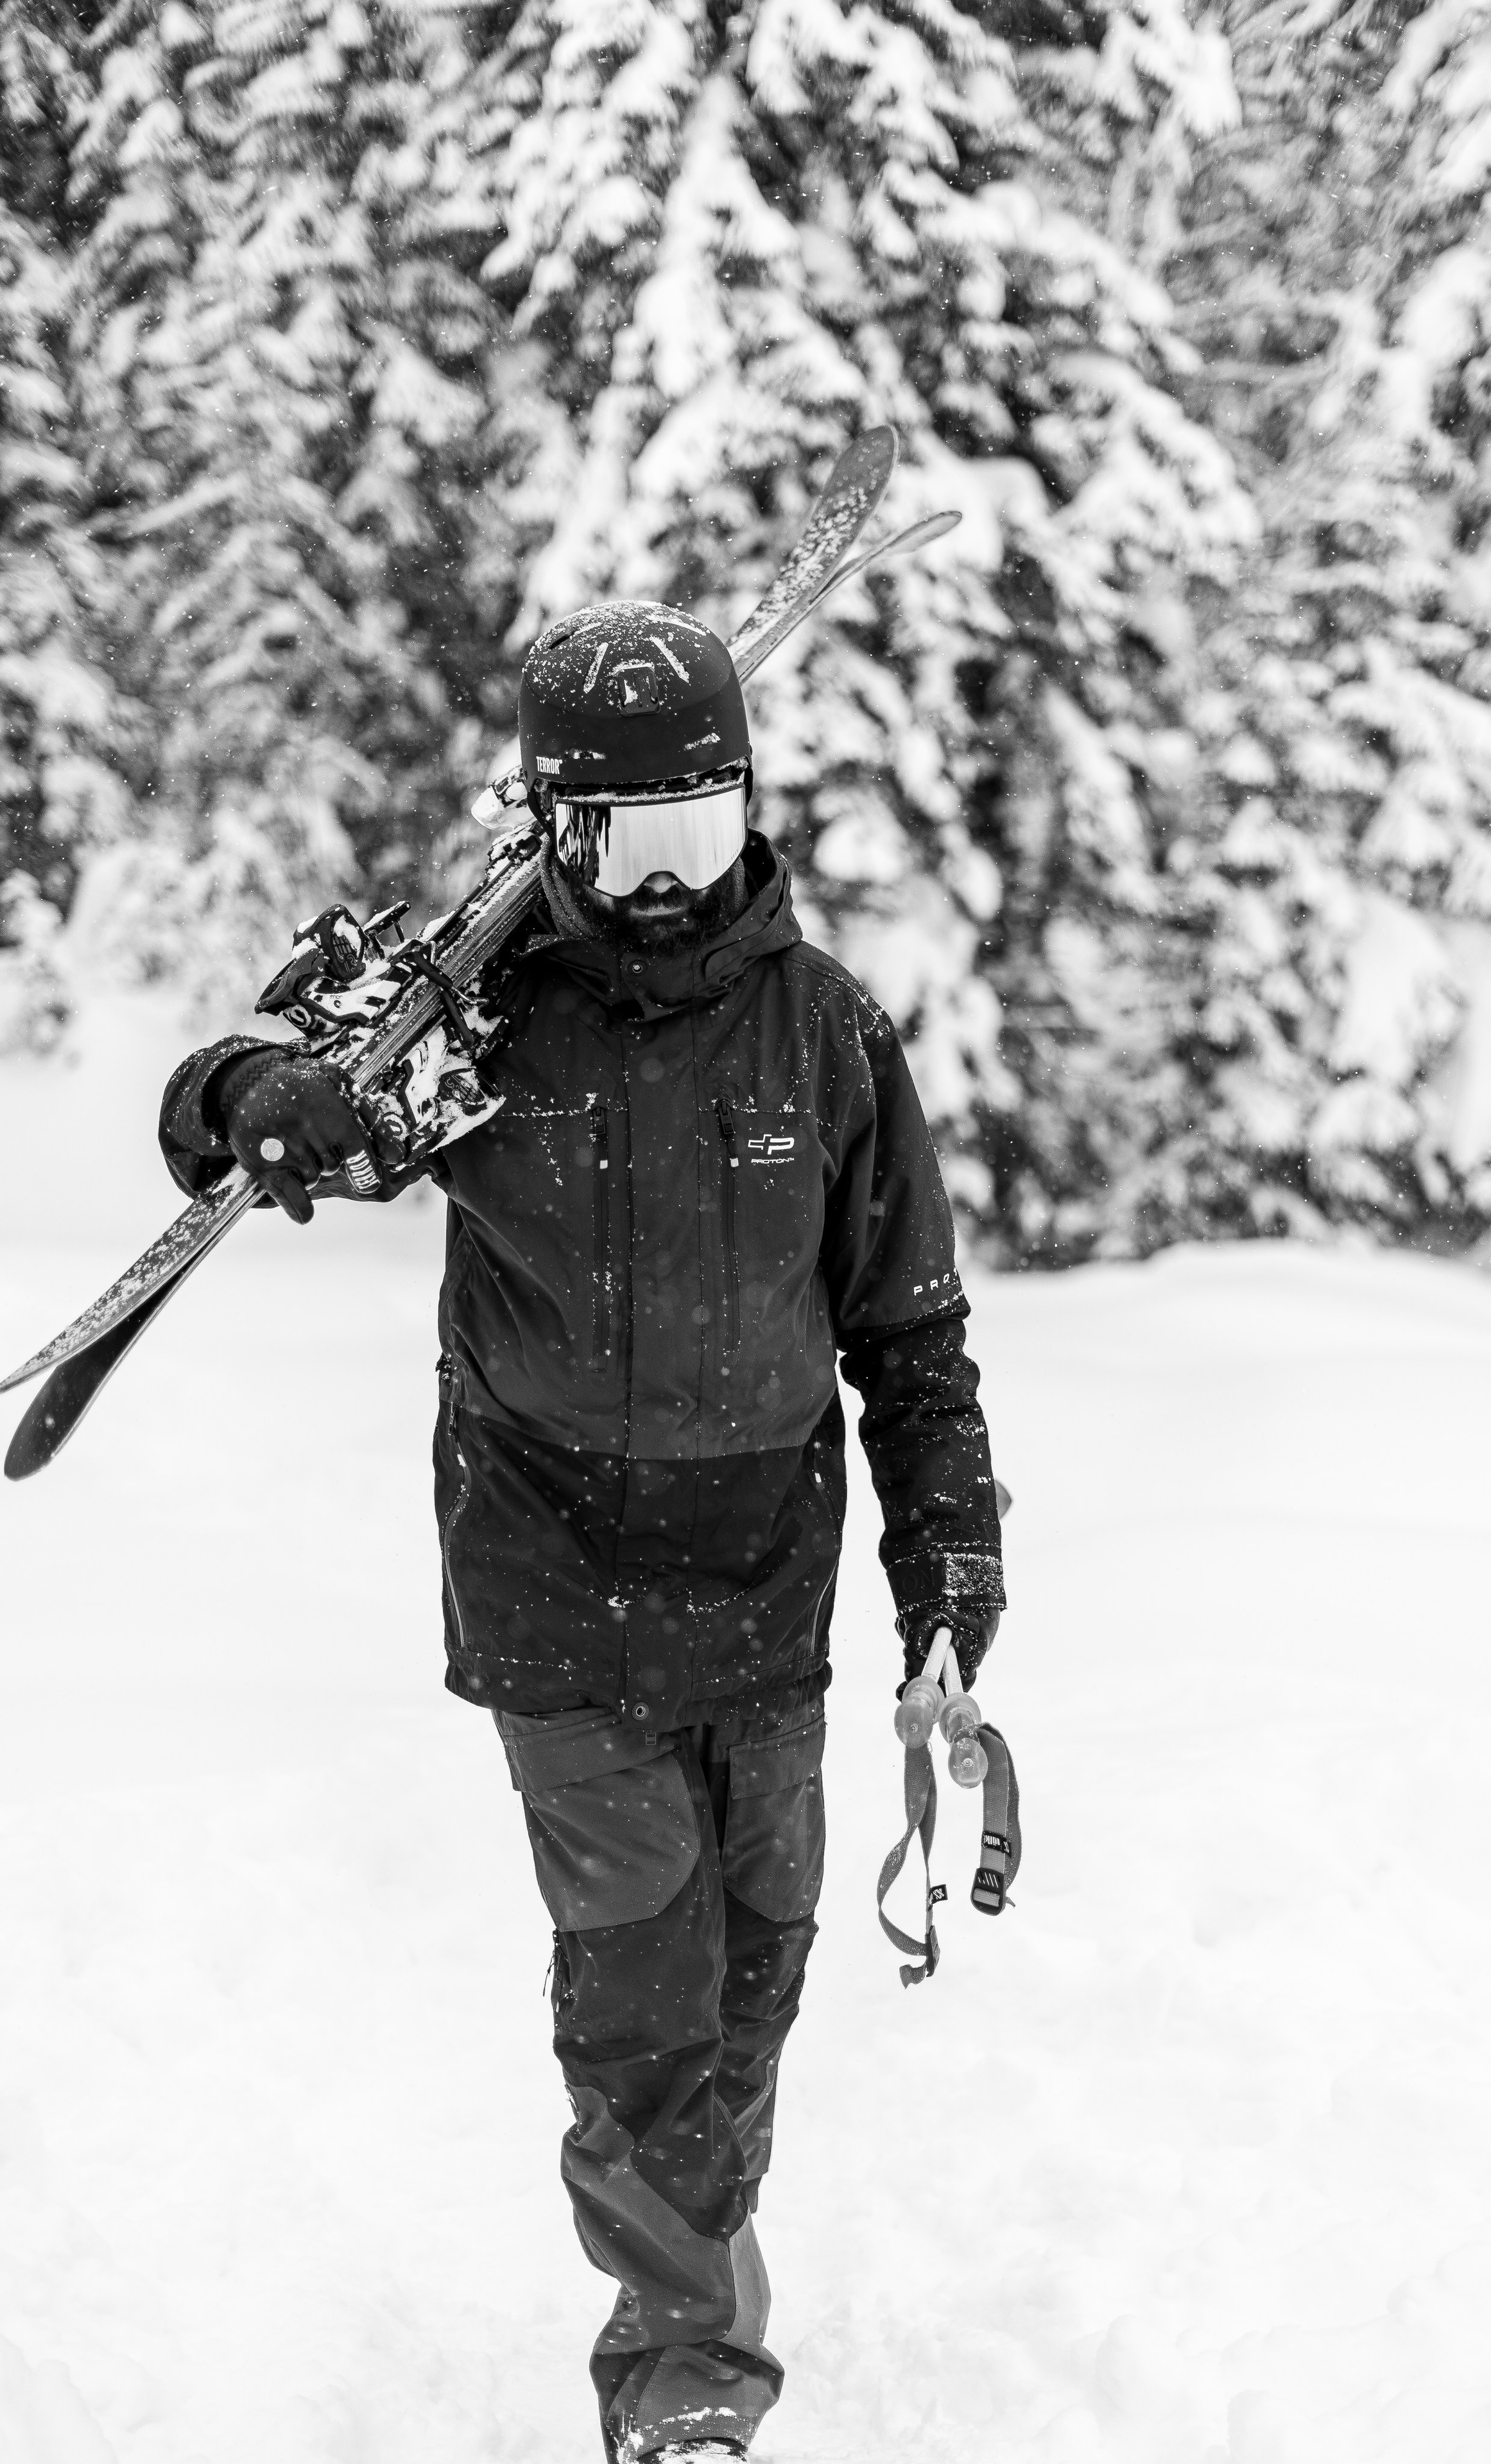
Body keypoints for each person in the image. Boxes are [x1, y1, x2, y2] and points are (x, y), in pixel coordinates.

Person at [157, 602, 1005, 2464]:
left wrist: (950, 1574)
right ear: (552, 831)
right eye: (624, 844)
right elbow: (224, 1093)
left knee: (755, 1974)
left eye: (697, 834)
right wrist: (258, 1103)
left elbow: (911, 1335)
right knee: (643, 1988)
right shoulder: (476, 1011)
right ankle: (688, 2377)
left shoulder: (829, 1034)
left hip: (766, 1586)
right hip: (553, 1582)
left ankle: (689, 2236)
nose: (663, 888)